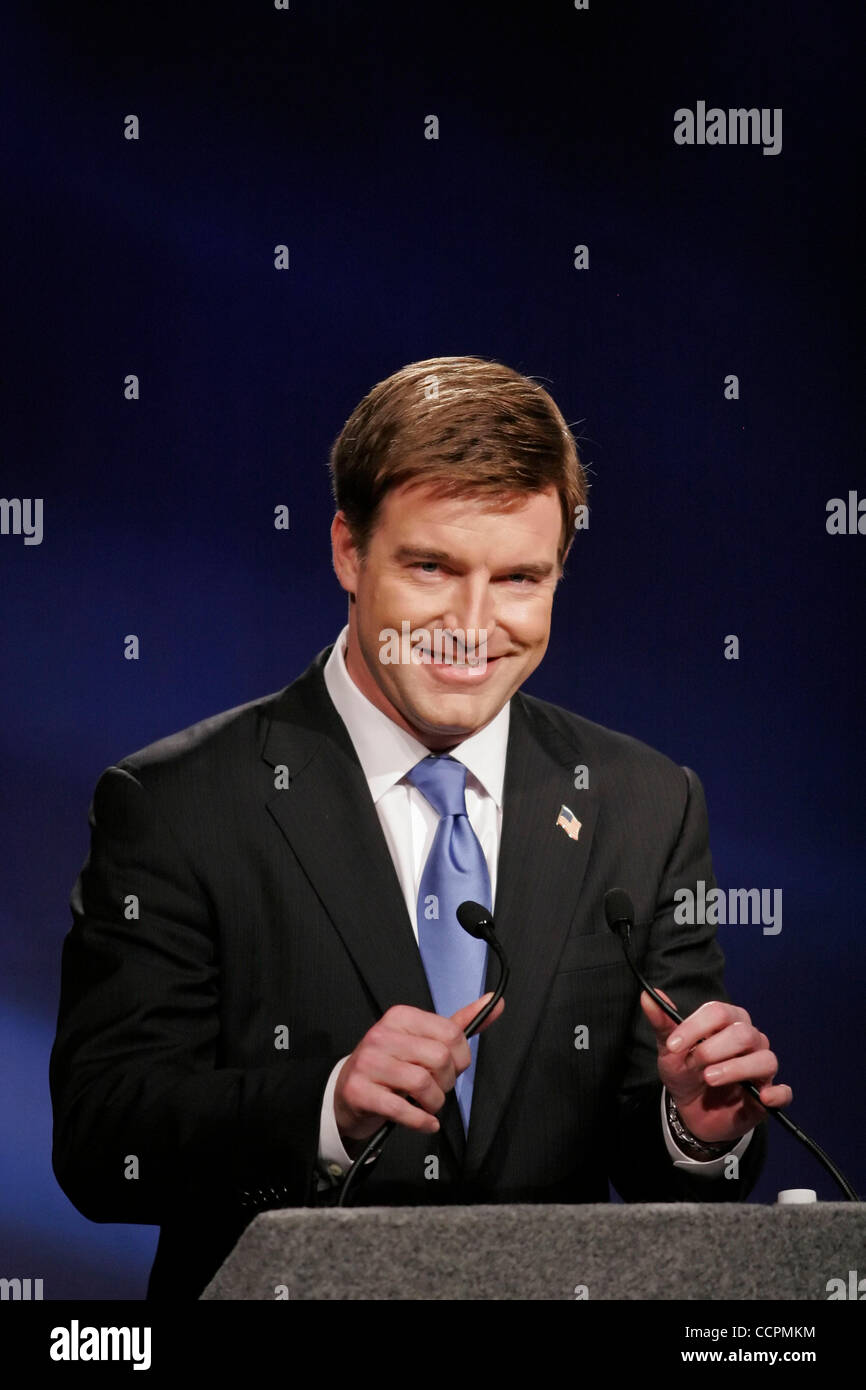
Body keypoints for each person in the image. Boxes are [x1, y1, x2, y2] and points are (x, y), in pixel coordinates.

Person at [49, 356, 791, 1300]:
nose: (473, 625)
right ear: (348, 552)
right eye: (433, 566)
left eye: (520, 577)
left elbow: (657, 1154)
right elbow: (103, 1139)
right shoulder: (181, 802)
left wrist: (696, 1128)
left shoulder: (645, 802)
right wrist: (327, 1107)